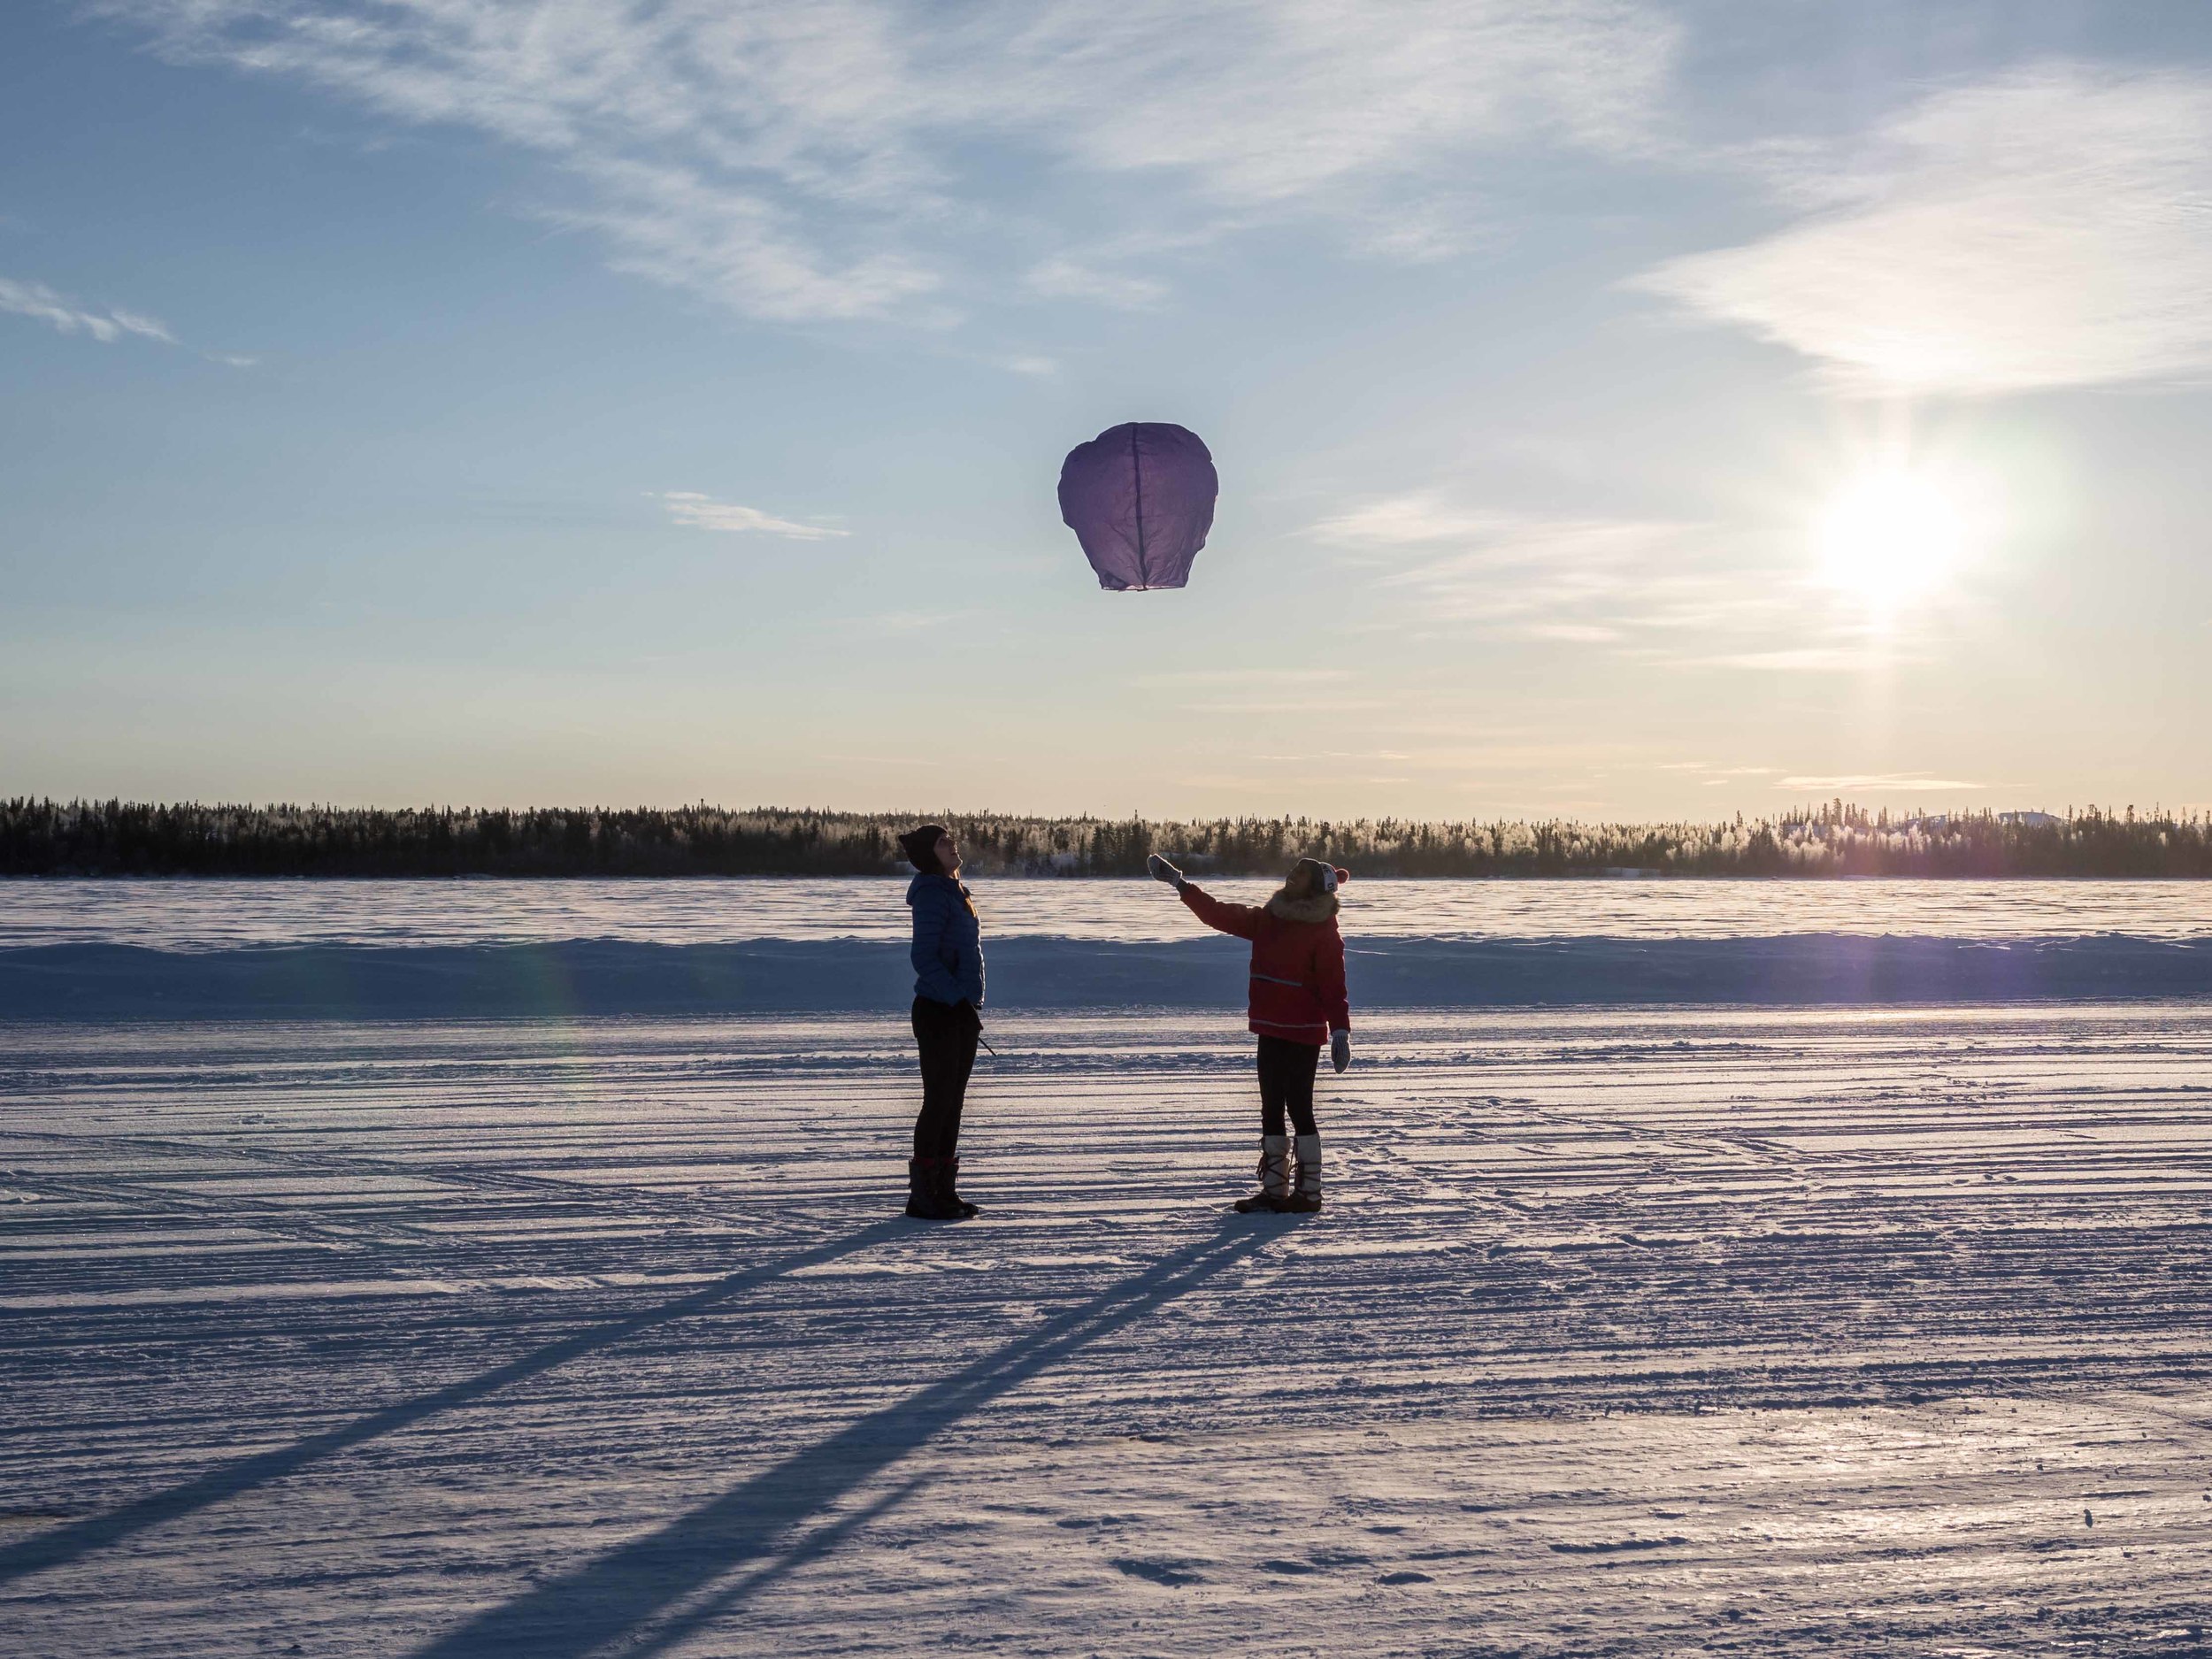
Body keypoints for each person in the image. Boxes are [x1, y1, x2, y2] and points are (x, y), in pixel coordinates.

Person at [1147, 852, 1352, 1213]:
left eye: (1301, 875)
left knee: (1299, 1107)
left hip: (1303, 1032)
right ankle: (1274, 1190)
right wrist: (1180, 884)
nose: (1292, 876)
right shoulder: (1268, 919)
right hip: (1269, 1027)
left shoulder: (1324, 932)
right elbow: (1220, 914)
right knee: (1270, 1107)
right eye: (1294, 871)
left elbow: (1334, 987)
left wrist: (1340, 1032)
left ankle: (1310, 1194)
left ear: (1317, 888)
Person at [901, 824, 985, 1221]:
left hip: (960, 1009)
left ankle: (944, 1192)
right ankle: (922, 1197)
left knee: (953, 1103)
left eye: (950, 839)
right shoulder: (933, 894)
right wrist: (955, 1000)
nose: (951, 845)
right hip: (938, 1010)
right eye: (941, 842)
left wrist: (967, 1002)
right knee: (938, 1102)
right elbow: (924, 958)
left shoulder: (955, 890)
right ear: (928, 855)